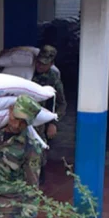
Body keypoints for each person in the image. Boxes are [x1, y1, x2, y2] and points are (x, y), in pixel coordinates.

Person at [31, 45, 67, 185]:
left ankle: (39, 178)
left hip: (41, 118)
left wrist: (53, 122)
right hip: (22, 116)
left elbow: (61, 103)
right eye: (38, 62)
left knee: (39, 148)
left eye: (44, 64)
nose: (40, 66)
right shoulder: (27, 72)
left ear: (51, 64)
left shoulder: (53, 78)